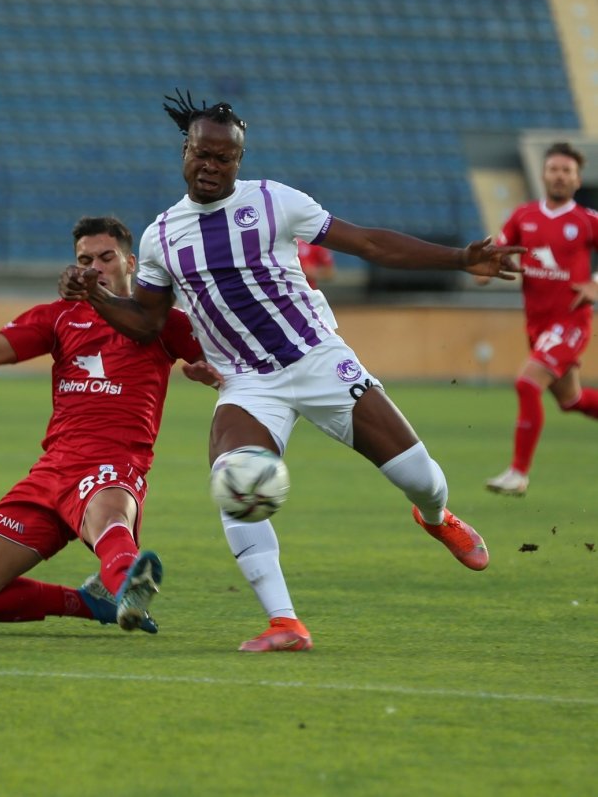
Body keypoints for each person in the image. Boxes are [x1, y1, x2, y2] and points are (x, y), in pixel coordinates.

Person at [58, 91, 524, 653]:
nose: (210, 166)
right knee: (234, 485)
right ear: (185, 152)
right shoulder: (162, 236)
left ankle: (436, 517)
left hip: (318, 359)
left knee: (419, 476)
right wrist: (97, 296)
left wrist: (458, 258)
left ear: (239, 161)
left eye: (223, 158)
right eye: (201, 154)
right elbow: (147, 322)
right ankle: (286, 623)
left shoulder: (276, 203)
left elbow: (369, 242)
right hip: (248, 384)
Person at [0, 215, 221, 634]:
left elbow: (230, 372)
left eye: (106, 257)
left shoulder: (163, 323)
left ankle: (129, 585)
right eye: (85, 259)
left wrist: (211, 376)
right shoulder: (60, 317)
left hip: (113, 464)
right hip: (51, 472)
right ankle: (92, 602)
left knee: (109, 519)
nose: (96, 267)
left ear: (130, 262)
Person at [483, 141, 598, 496]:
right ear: (543, 174)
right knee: (571, 401)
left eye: (567, 171)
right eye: (554, 169)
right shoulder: (523, 216)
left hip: (571, 323)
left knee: (527, 382)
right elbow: (495, 253)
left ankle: (519, 473)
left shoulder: (587, 221)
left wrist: (596, 284)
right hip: (538, 326)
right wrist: (485, 266)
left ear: (578, 180)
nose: (560, 176)